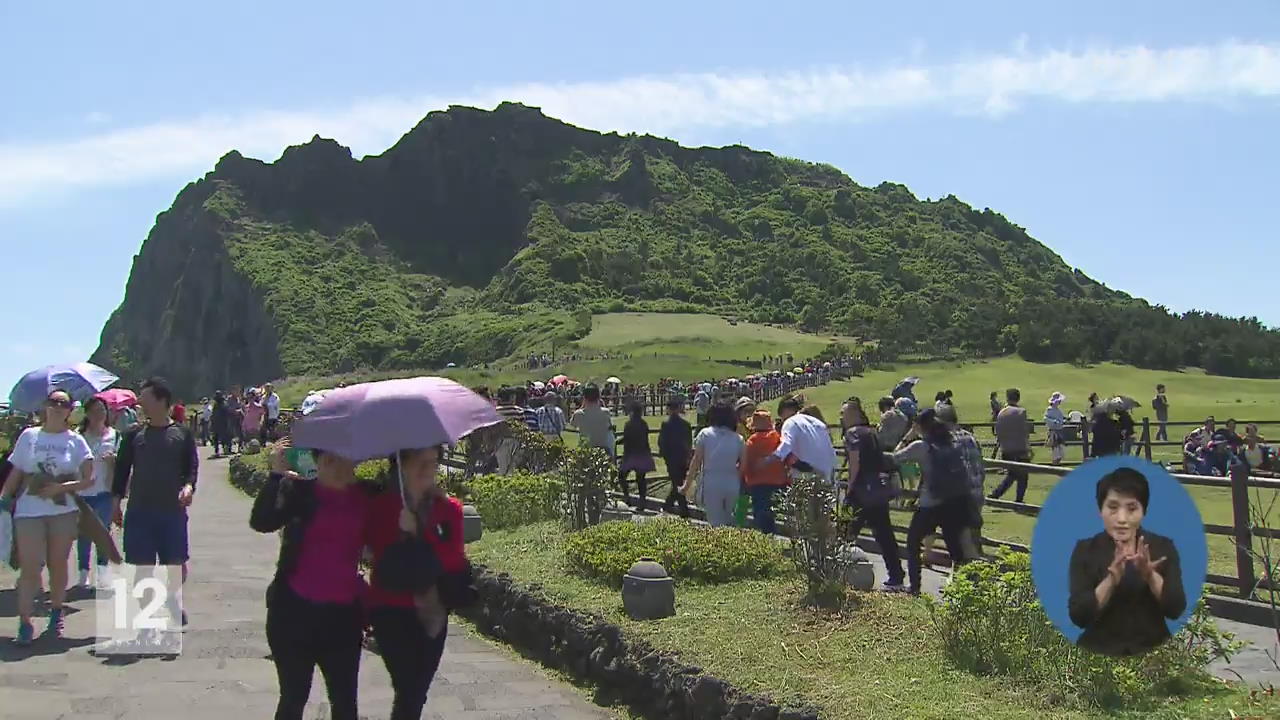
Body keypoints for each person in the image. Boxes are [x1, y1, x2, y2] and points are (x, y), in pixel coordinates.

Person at [252, 440, 372, 720]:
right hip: (293, 614)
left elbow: (383, 542)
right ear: (318, 462)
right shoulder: (298, 492)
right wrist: (275, 476)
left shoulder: (366, 497)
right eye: (330, 461)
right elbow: (262, 521)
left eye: (344, 460)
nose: (338, 468)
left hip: (342, 618)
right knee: (294, 697)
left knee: (344, 703)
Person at [366, 447, 476, 720]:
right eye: (420, 463)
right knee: (408, 689)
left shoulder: (448, 509)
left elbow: (453, 560)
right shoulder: (382, 507)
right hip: (390, 610)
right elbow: (376, 555)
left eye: (434, 462)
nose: (429, 469)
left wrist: (419, 532)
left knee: (415, 694)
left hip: (433, 613)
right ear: (402, 465)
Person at [0, 389, 94, 644]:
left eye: (63, 403)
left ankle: (56, 611)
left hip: (61, 511)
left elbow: (88, 480)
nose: (57, 407)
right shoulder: (29, 436)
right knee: (30, 567)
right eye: (53, 402)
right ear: (45, 406)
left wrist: (61, 488)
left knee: (58, 563)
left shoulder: (75, 440)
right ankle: (25, 622)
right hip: (29, 511)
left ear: (70, 409)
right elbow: (16, 471)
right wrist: (4, 497)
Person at [1068, 467, 1186, 657]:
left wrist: (1150, 575)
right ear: (1101, 510)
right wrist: (1110, 581)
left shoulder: (1162, 547)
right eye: (1113, 508)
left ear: (1143, 511)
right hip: (1099, 651)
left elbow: (1175, 609)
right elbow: (1079, 616)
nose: (1122, 519)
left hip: (1153, 651)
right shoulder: (1085, 550)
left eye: (1132, 508)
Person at [112, 377, 198, 628]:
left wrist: (189, 487)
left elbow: (191, 468)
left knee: (176, 564)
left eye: (146, 398)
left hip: (172, 511)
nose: (141, 403)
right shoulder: (133, 435)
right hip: (140, 511)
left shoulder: (182, 434)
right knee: (142, 566)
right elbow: (121, 471)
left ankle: (171, 598)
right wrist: (116, 502)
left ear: (162, 401)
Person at [892, 408, 972, 595]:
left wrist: (907, 436)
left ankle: (915, 587)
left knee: (913, 543)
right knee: (955, 548)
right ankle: (961, 590)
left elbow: (896, 457)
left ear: (919, 426)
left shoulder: (921, 446)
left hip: (930, 504)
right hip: (953, 502)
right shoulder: (950, 442)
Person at [840, 397, 905, 591]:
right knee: (885, 535)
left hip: (860, 491)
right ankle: (896, 575)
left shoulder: (852, 434)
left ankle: (836, 569)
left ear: (853, 414)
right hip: (877, 490)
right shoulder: (872, 432)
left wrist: (849, 487)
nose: (842, 417)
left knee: (844, 531)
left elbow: (854, 462)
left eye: (844, 413)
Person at [76, 395, 119, 589]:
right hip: (82, 493)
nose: (98, 414)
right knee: (84, 535)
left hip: (104, 492)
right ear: (87, 414)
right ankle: (83, 574)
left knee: (103, 533)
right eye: (94, 410)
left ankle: (102, 573)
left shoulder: (115, 435)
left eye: (102, 410)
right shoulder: (78, 436)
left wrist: (113, 461)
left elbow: (123, 467)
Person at [679, 403, 744, 527]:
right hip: (732, 481)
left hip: (711, 481)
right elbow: (743, 464)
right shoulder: (738, 438)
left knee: (715, 522)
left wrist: (686, 485)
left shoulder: (705, 434)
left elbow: (696, 461)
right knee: (730, 520)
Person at [936, 404, 987, 561]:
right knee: (974, 535)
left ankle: (963, 575)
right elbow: (980, 464)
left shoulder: (945, 441)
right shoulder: (970, 437)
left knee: (959, 541)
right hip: (976, 490)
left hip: (958, 495)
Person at [742, 410, 788, 535]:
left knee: (761, 514)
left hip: (758, 484)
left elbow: (746, 463)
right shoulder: (777, 437)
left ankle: (767, 538)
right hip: (777, 481)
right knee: (773, 512)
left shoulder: (752, 441)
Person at [989, 388, 1031, 503]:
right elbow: (1024, 432)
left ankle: (995, 495)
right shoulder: (1021, 412)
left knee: (1013, 475)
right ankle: (1018, 500)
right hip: (1019, 449)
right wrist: (1029, 448)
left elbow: (998, 431)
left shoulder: (1001, 413)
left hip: (1006, 449)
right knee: (1022, 476)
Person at [658, 399, 693, 517]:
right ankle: (681, 509)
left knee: (676, 484)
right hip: (683, 458)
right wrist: (689, 457)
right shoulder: (686, 425)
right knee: (678, 483)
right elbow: (689, 443)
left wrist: (663, 454)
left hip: (671, 459)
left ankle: (672, 507)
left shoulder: (666, 424)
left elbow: (662, 442)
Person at [618, 402, 655, 510]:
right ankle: (642, 501)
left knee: (621, 476)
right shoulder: (644, 424)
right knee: (641, 479)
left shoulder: (629, 424)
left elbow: (626, 438)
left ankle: (627, 496)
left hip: (631, 454)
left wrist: (617, 442)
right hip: (642, 453)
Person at [569, 385, 615, 459]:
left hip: (586, 449)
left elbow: (572, 424)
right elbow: (610, 426)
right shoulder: (606, 412)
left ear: (584, 398)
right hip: (603, 449)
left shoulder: (578, 414)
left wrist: (582, 406)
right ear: (598, 398)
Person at [1044, 392, 1068, 466]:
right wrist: (1054, 422)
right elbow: (1046, 418)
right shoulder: (1050, 410)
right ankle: (1055, 465)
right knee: (1056, 450)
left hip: (1059, 431)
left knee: (1061, 450)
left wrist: (1064, 420)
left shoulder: (1058, 410)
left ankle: (1057, 464)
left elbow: (1060, 418)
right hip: (1054, 432)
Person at [210, 391, 234, 457]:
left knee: (223, 437)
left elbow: (227, 414)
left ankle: (224, 449)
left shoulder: (222, 405)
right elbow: (213, 415)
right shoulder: (218, 405)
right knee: (219, 438)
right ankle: (219, 450)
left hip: (222, 423)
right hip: (220, 424)